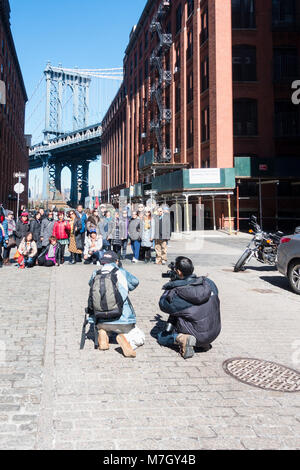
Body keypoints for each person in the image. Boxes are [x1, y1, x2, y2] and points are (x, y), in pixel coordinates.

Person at [158, 257, 221, 359]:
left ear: (178, 272)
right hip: (214, 333)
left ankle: (184, 339)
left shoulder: (177, 292)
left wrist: (172, 285)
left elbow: (163, 304)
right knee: (191, 311)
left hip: (199, 335)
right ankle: (203, 343)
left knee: (162, 337)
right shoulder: (209, 283)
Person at [88, 251, 145, 358]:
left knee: (105, 327)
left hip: (100, 319)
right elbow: (135, 282)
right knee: (140, 337)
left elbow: (90, 285)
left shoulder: (96, 273)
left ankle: (103, 333)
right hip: (123, 320)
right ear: (117, 261)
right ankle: (127, 341)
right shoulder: (121, 272)